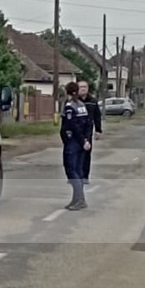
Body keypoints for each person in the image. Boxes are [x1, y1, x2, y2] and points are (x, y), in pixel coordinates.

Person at [61, 82, 93, 211]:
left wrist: (79, 140)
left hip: (73, 142)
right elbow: (88, 124)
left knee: (72, 171)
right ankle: (76, 199)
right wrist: (86, 140)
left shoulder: (70, 107)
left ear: (67, 91)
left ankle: (80, 200)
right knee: (79, 171)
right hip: (82, 142)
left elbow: (73, 126)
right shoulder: (82, 105)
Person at [77, 81, 102, 185]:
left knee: (86, 154)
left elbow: (97, 116)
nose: (83, 89)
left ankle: (85, 176)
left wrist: (98, 130)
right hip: (76, 131)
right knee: (75, 154)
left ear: (88, 88)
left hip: (87, 132)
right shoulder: (74, 101)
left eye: (85, 87)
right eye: (81, 87)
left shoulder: (92, 101)